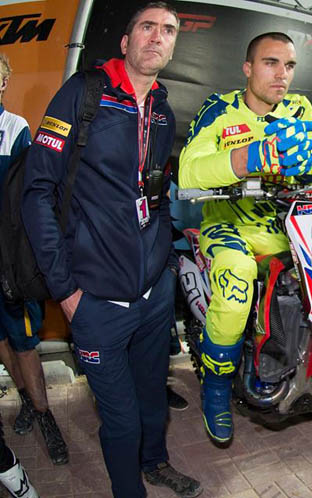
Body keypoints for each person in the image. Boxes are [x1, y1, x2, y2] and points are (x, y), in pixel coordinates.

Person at [22, 4, 201, 497]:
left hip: (153, 294)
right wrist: (66, 290)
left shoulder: (163, 109)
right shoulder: (83, 93)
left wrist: (164, 262)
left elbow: (157, 193)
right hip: (94, 300)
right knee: (119, 422)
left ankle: (155, 462)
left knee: (153, 402)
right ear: (126, 41)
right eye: (147, 27)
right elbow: (37, 192)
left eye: (168, 30)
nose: (157, 37)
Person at [179, 32, 312, 443]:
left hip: (283, 226)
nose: (282, 75)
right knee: (237, 279)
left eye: (290, 65)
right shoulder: (219, 109)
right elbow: (188, 173)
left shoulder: (300, 108)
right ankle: (215, 388)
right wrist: (251, 157)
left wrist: (311, 163)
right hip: (228, 224)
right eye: (271, 63)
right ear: (247, 68)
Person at [0, 53, 69, 466]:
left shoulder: (15, 130)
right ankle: (26, 400)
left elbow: (27, 202)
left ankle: (46, 416)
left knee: (25, 342)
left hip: (9, 263)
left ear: (4, 83)